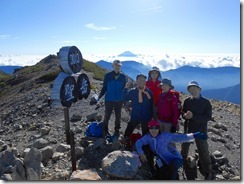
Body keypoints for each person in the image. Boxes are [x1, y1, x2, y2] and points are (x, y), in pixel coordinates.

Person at [135, 119, 207, 180]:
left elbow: (179, 137)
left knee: (171, 171)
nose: (154, 130)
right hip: (162, 160)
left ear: (159, 129)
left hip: (175, 159)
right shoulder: (147, 137)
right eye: (151, 128)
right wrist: (141, 153)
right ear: (149, 129)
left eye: (156, 128)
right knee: (161, 174)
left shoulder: (164, 136)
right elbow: (138, 143)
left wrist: (194, 135)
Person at [180, 80, 213, 180]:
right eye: (190, 89)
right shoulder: (187, 101)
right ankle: (182, 162)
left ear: (199, 89)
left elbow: (207, 117)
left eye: (195, 88)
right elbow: (183, 114)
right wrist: (185, 116)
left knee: (203, 150)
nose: (193, 90)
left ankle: (207, 171)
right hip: (188, 129)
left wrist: (193, 116)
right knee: (184, 148)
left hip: (201, 131)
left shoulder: (206, 103)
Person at [97, 60, 127, 138]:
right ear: (112, 66)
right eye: (116, 65)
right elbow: (104, 87)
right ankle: (105, 130)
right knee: (107, 115)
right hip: (109, 99)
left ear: (120, 66)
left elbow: (124, 89)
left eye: (119, 65)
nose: (117, 67)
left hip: (119, 100)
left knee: (118, 116)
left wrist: (124, 100)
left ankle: (116, 130)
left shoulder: (123, 77)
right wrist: (99, 97)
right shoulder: (107, 76)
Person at [123, 73, 154, 139]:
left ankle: (145, 146)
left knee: (145, 133)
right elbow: (124, 98)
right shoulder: (132, 91)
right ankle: (126, 141)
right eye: (140, 79)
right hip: (135, 115)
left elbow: (152, 104)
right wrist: (125, 89)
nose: (141, 81)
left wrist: (152, 116)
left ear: (146, 81)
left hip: (146, 116)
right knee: (129, 130)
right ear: (136, 81)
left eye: (143, 80)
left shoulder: (149, 92)